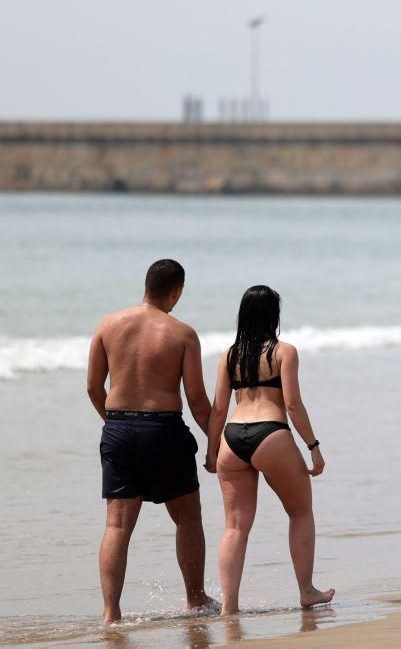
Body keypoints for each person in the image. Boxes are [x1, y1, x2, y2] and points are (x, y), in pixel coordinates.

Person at [86, 259, 214, 624]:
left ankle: (111, 613)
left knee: (116, 525)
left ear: (146, 286)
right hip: (164, 430)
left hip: (119, 429)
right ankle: (195, 599)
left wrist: (114, 424)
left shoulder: (108, 326)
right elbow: (198, 401)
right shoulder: (182, 333)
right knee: (188, 517)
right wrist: (215, 445)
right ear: (177, 292)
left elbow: (94, 388)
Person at [205, 285, 334, 614]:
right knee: (300, 511)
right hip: (270, 433)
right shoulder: (283, 352)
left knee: (235, 526)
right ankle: (307, 591)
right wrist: (313, 447)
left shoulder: (229, 355)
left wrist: (210, 450)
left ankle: (229, 606)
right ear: (273, 315)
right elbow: (292, 403)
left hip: (232, 438)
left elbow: (219, 409)